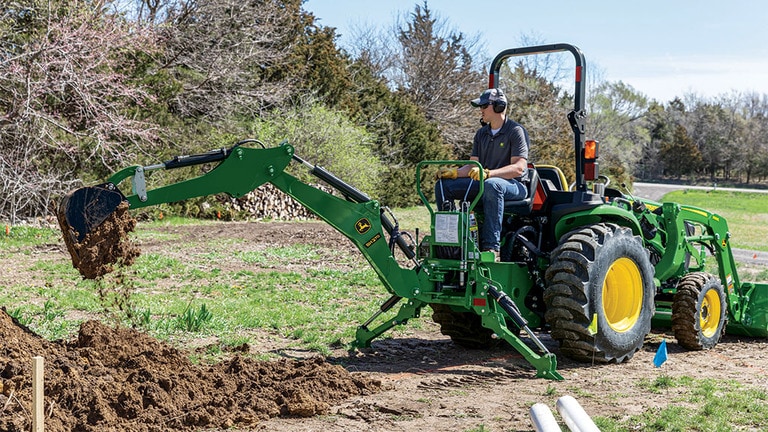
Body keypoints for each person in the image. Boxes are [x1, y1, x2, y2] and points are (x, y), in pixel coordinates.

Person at [435, 88, 530, 258]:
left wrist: (489, 174)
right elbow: (473, 166)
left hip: (514, 186)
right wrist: (453, 173)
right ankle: (449, 241)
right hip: (486, 182)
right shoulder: (481, 134)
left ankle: (491, 248)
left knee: (491, 185)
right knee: (444, 186)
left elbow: (518, 168)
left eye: (485, 105)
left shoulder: (515, 131)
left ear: (499, 107)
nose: (481, 110)